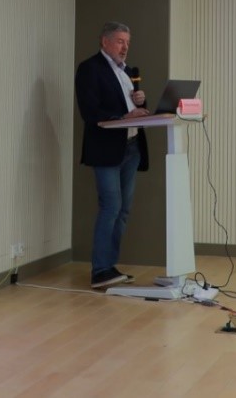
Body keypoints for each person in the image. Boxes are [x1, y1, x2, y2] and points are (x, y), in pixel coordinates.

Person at [75, 21, 151, 288]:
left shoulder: (128, 72)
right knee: (111, 207)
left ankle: (110, 266)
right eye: (120, 41)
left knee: (123, 210)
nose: (125, 47)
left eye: (127, 42)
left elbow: (133, 109)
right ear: (104, 41)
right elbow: (89, 110)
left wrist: (141, 101)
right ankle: (100, 270)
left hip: (131, 147)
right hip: (106, 149)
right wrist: (123, 116)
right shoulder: (90, 68)